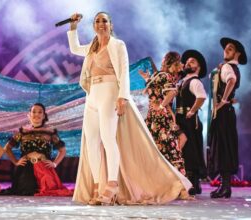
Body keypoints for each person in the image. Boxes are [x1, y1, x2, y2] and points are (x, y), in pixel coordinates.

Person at [68, 12, 191, 205]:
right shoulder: (92, 47)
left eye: (104, 21)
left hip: (109, 92)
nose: (101, 24)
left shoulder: (118, 45)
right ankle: (96, 186)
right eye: (97, 21)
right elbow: (74, 48)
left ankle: (112, 184)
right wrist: (73, 27)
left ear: (111, 24)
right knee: (91, 140)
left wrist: (122, 97)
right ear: (93, 26)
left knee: (108, 138)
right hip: (92, 95)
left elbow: (124, 72)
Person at [3, 103, 72, 196]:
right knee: (26, 190)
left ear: (44, 116)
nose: (37, 114)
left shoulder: (50, 132)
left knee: (47, 190)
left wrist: (54, 163)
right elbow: (7, 148)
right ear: (29, 115)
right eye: (34, 112)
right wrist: (16, 162)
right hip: (26, 168)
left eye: (40, 112)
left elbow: (62, 150)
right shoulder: (22, 132)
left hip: (44, 168)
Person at [208, 37, 247, 199]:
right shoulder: (227, 67)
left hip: (223, 113)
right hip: (227, 112)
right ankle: (226, 186)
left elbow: (231, 80)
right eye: (225, 48)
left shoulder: (227, 67)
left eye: (230, 49)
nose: (226, 50)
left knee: (223, 147)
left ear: (237, 54)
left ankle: (225, 186)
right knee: (224, 147)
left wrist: (223, 101)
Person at [139, 51, 187, 176]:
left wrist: (161, 105)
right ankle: (167, 179)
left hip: (158, 116)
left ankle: (175, 181)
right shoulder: (162, 75)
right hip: (156, 116)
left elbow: (171, 93)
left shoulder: (162, 75)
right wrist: (147, 79)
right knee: (163, 147)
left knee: (165, 146)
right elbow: (162, 91)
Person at [176, 50, 207, 196]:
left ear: (198, 67)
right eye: (187, 61)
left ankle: (194, 183)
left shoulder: (194, 81)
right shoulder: (182, 81)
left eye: (192, 61)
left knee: (191, 150)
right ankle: (188, 183)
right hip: (181, 118)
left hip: (189, 120)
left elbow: (201, 97)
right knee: (183, 150)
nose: (188, 62)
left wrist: (192, 111)